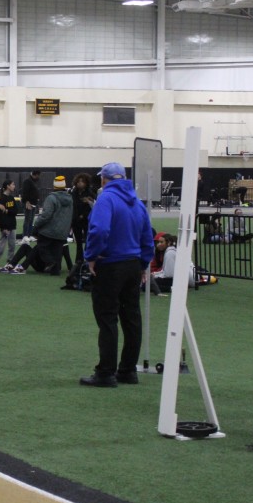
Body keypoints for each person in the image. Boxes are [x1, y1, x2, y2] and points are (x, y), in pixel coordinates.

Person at [80, 162, 154, 388]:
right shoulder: (137, 202)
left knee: (107, 318)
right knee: (132, 319)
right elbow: (147, 236)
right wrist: (143, 264)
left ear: (104, 179)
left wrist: (91, 255)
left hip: (111, 264)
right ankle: (128, 370)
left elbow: (100, 230)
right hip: (133, 265)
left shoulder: (106, 199)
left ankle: (105, 372)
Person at [1, 176, 73, 275]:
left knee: (39, 246)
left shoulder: (52, 198)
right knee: (37, 247)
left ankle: (19, 266)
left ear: (54, 186)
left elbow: (45, 216)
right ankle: (16, 266)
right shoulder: (70, 199)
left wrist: (36, 226)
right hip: (62, 232)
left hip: (48, 235)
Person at [0, 178, 18, 266]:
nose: (14, 186)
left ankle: (10, 261)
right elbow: (0, 215)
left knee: (12, 245)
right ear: (8, 186)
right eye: (13, 184)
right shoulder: (2, 199)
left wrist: (7, 211)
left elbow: (15, 211)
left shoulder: (12, 198)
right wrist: (4, 227)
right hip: (5, 226)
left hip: (12, 224)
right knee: (1, 245)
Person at [70, 172, 96, 263]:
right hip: (75, 220)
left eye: (82, 181)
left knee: (88, 240)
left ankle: (87, 258)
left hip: (86, 220)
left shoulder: (90, 193)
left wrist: (83, 215)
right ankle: (79, 259)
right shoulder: (73, 192)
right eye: (78, 181)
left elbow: (92, 207)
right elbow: (72, 205)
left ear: (86, 183)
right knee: (78, 242)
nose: (80, 183)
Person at [20, 170, 41, 238]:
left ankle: (29, 235)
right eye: (38, 175)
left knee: (31, 221)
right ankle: (25, 236)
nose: (39, 177)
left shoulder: (33, 182)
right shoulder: (27, 181)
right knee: (27, 220)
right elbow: (24, 192)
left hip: (33, 204)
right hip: (28, 204)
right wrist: (27, 202)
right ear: (36, 175)